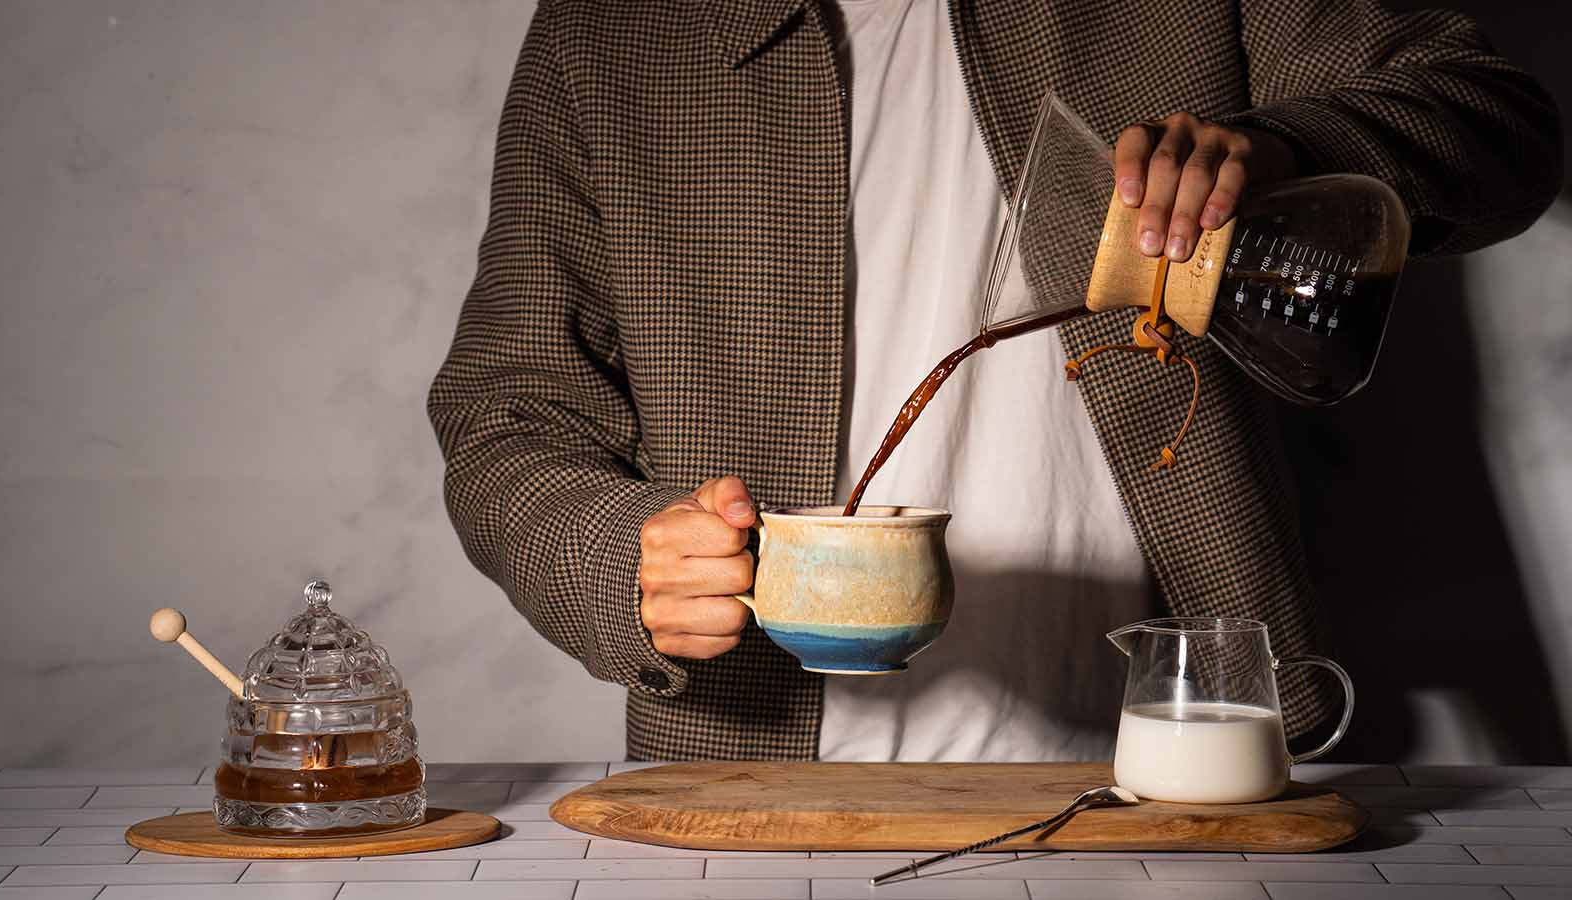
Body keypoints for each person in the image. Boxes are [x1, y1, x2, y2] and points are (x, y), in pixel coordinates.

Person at [429, 0, 1562, 761]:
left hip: (1178, 751)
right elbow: (507, 409)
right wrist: (609, 553)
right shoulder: (610, 30)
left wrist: (1284, 151)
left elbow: (1498, 124)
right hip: (750, 771)